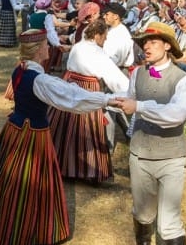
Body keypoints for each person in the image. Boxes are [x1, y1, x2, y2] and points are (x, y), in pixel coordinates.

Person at [0, 29, 110, 245]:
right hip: (32, 136)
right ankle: (17, 231)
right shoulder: (38, 78)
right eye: (46, 45)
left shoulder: (20, 70)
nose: (49, 48)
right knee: (27, 182)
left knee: (10, 179)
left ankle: (3, 227)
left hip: (14, 129)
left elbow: (65, 91)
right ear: (39, 49)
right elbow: (71, 99)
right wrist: (108, 99)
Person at [107, 22, 186, 245]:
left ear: (168, 45)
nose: (146, 46)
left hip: (171, 158)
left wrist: (140, 108)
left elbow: (175, 115)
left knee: (169, 220)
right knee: (142, 211)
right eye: (144, 42)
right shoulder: (137, 73)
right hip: (140, 155)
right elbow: (131, 106)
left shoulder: (183, 80)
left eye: (154, 42)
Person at [49, 19, 129, 183]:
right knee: (88, 129)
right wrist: (130, 93)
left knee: (64, 126)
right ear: (98, 35)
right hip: (87, 88)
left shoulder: (78, 46)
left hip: (69, 84)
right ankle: (87, 170)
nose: (105, 40)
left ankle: (60, 164)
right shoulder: (97, 53)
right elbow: (114, 77)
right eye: (104, 37)